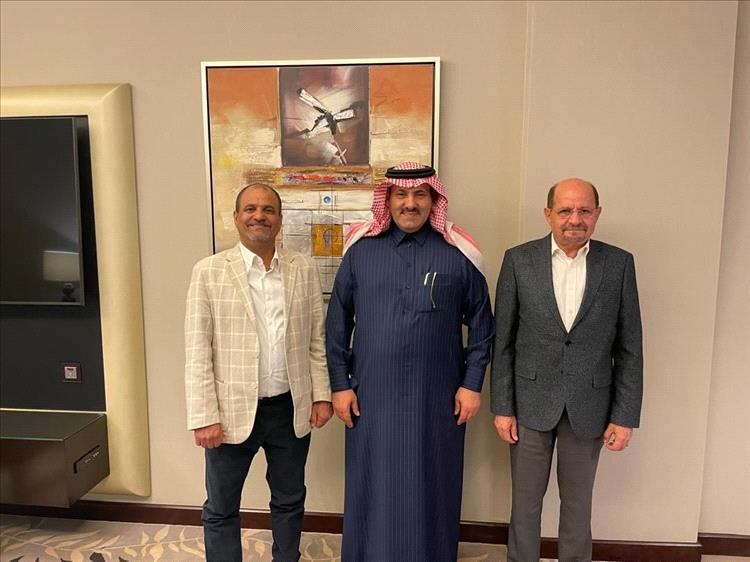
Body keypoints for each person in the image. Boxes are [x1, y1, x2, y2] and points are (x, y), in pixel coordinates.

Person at [326, 161, 494, 561]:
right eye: (401, 194)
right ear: (387, 200)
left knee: (433, 480)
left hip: (438, 398)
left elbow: (483, 326)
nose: (410, 203)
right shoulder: (360, 252)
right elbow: (336, 322)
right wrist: (340, 384)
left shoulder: (459, 255)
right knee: (374, 482)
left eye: (420, 194)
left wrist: (472, 384)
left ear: (434, 199)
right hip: (371, 396)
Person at [491, 178, 643, 562]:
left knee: (578, 507)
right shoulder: (519, 261)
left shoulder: (619, 264)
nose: (575, 219)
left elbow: (630, 349)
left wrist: (624, 416)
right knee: (525, 505)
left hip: (589, 406)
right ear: (548, 214)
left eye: (584, 210)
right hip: (528, 405)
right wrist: (503, 407)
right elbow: (502, 341)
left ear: (597, 214)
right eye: (565, 210)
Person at [185, 183, 333, 562]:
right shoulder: (209, 272)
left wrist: (321, 396)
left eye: (268, 210)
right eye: (250, 209)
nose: (259, 216)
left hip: (289, 408)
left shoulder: (303, 269)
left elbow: (316, 340)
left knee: (289, 499)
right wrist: (204, 416)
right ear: (236, 218)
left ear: (280, 220)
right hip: (230, 412)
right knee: (221, 507)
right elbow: (198, 351)